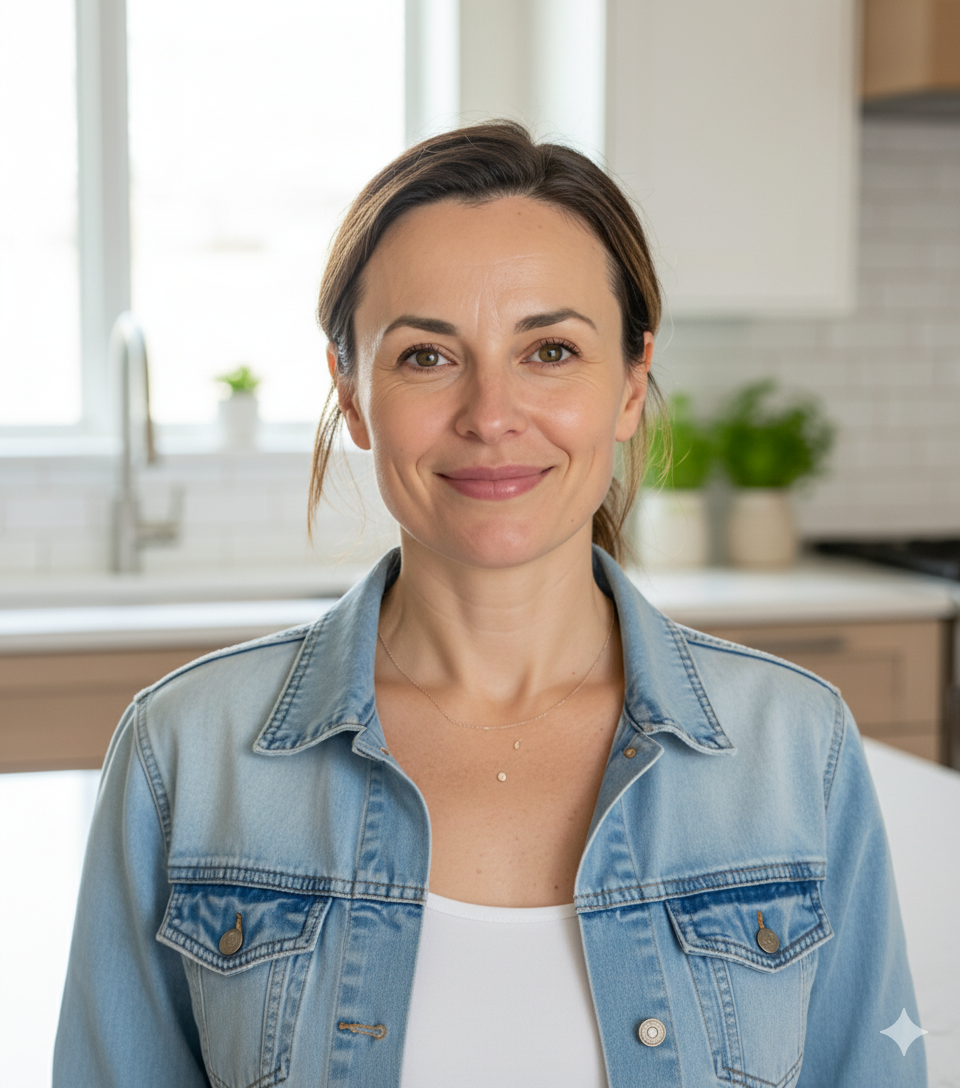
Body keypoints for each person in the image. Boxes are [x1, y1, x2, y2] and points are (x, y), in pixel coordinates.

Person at [54, 121, 925, 1088]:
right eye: (427, 357)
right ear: (350, 391)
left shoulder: (798, 752)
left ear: (632, 382)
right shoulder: (185, 755)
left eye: (550, 350)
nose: (491, 414)